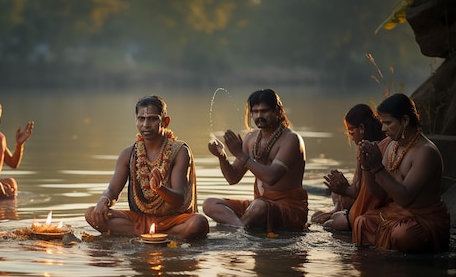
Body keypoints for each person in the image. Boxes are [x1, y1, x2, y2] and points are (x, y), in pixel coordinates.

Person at [85, 95, 209, 240]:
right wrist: (104, 200)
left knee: (199, 223)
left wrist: (159, 188)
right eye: (141, 119)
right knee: (92, 213)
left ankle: (151, 236)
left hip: (174, 221)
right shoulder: (128, 154)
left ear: (165, 121)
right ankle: (158, 236)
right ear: (136, 121)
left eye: (153, 118)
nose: (146, 125)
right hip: (140, 220)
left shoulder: (179, 151)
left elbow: (179, 199)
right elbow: (113, 190)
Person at [203, 89, 308, 236]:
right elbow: (233, 178)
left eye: (264, 111)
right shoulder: (251, 138)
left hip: (289, 209)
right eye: (255, 111)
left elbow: (272, 178)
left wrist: (240, 154)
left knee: (259, 206)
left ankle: (239, 233)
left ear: (278, 111)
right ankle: (241, 228)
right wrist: (222, 156)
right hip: (259, 204)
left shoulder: (291, 139)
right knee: (210, 204)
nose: (259, 116)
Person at [355, 93, 450, 253]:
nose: (383, 129)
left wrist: (377, 166)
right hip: (396, 213)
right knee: (362, 222)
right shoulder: (392, 147)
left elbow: (405, 198)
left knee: (403, 234)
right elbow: (378, 192)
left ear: (405, 121)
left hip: (422, 219)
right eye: (382, 123)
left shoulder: (425, 152)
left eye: (388, 123)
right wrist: (366, 166)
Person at [311, 104, 389, 231]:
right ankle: (337, 209)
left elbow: (364, 192)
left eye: (351, 132)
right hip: (361, 203)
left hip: (370, 207)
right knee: (333, 198)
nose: (350, 137)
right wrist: (341, 188)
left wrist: (344, 188)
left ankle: (337, 211)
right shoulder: (372, 146)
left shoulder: (369, 149)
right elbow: (357, 186)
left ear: (362, 128)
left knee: (328, 224)